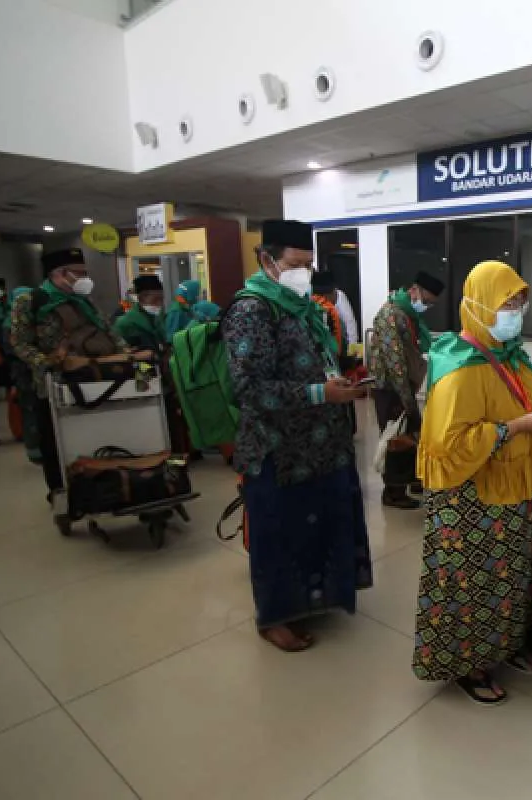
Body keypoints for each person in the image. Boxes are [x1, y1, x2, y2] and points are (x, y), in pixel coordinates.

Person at [222, 220, 373, 653]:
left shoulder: (304, 308)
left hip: (321, 442)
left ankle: (315, 598)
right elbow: (247, 389)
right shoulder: (252, 310)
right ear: (266, 259)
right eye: (295, 264)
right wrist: (318, 392)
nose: (304, 273)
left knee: (319, 524)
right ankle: (275, 617)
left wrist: (341, 382)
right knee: (279, 533)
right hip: (278, 450)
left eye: (309, 265)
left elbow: (315, 365)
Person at [412, 260, 532, 705]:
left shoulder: (511, 358)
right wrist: (513, 429)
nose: (516, 313)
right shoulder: (461, 368)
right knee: (474, 582)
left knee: (510, 576)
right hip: (472, 501)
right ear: (478, 306)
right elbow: (450, 447)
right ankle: (469, 665)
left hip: (510, 493)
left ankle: (504, 646)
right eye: (507, 304)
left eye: (520, 304)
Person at [10, 248, 134, 501]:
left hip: (93, 378)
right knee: (54, 441)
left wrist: (126, 355)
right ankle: (59, 490)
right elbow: (20, 343)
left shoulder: (84, 302)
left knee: (92, 431)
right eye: (78, 273)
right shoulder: (31, 301)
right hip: (53, 383)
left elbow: (107, 331)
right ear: (59, 274)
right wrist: (46, 363)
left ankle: (102, 482)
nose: (84, 278)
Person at [367, 271, 444, 509]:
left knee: (410, 433)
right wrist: (407, 400)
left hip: (404, 386)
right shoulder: (390, 314)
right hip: (390, 387)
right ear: (414, 290)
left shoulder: (408, 315)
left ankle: (410, 480)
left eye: (431, 303)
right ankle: (393, 492)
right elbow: (395, 362)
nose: (427, 306)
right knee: (395, 437)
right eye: (427, 300)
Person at [4, 287, 41, 464]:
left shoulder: (38, 319)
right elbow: (13, 349)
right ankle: (34, 451)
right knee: (29, 409)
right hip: (24, 371)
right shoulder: (9, 324)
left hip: (37, 370)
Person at [113, 274, 167, 352]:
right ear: (141, 298)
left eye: (161, 299)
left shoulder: (158, 317)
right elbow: (119, 350)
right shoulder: (124, 322)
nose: (159, 303)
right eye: (155, 299)